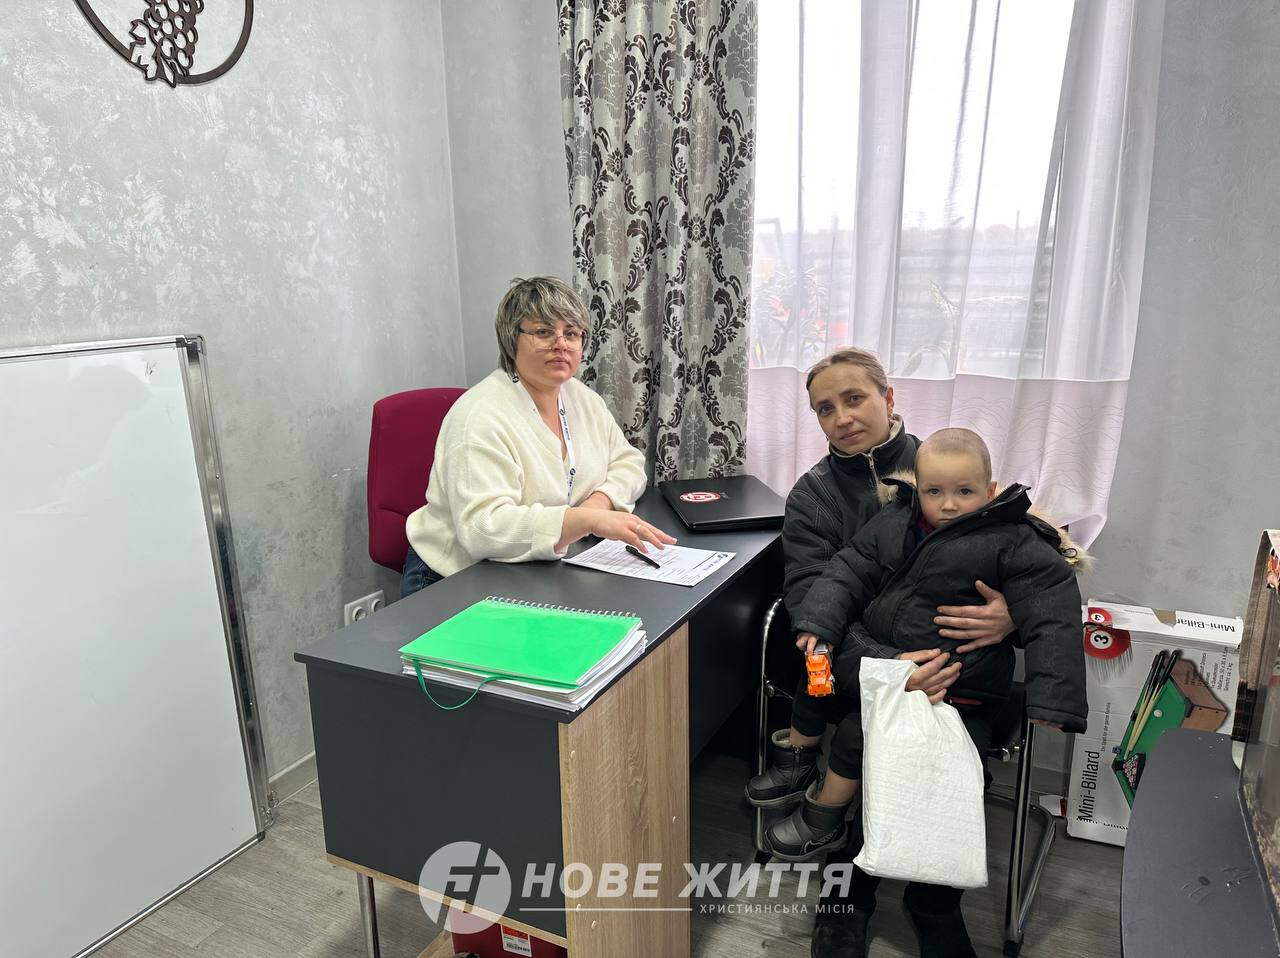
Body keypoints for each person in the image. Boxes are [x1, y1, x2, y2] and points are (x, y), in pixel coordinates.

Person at [756, 427, 1089, 956]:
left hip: (961, 692)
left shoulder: (1015, 539)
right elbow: (843, 574)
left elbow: (1052, 609)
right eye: (935, 492)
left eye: (964, 492)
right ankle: (848, 891)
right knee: (862, 748)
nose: (949, 505)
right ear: (918, 485)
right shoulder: (886, 517)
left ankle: (935, 903)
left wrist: (1052, 696)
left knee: (958, 776)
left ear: (991, 489)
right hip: (877, 676)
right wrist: (838, 635)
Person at [747, 348, 1017, 958]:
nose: (842, 417)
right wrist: (887, 667)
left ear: (888, 398)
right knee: (867, 738)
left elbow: (1026, 562)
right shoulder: (814, 496)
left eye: (855, 398)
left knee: (954, 753)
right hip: (856, 668)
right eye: (825, 409)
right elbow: (810, 601)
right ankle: (848, 893)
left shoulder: (943, 465)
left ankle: (933, 901)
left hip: (955, 668)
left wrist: (1010, 616)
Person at [400, 277, 675, 597]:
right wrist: (585, 522)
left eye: (571, 333)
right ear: (511, 339)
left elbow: (628, 462)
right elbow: (483, 528)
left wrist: (596, 506)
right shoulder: (479, 417)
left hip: (541, 566)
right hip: (455, 575)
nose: (561, 344)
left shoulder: (581, 398)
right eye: (544, 332)